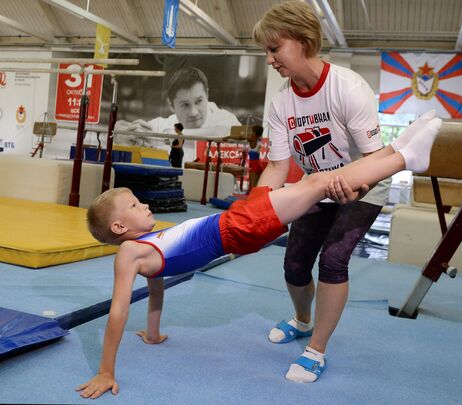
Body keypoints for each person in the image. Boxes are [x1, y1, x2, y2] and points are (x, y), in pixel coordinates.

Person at [75, 116, 442, 399]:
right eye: (136, 206)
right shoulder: (129, 252)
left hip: (235, 221)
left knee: (313, 185)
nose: (147, 204)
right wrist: (107, 370)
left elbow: (156, 292)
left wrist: (153, 335)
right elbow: (119, 311)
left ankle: (396, 151)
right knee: (316, 184)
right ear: (121, 228)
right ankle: (404, 157)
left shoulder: (148, 245)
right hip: (237, 228)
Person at [252, 0, 428, 383]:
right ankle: (301, 320)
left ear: (302, 41)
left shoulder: (347, 87)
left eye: (274, 48)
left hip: (365, 185)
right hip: (317, 185)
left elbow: (374, 158)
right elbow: (279, 167)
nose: (269, 60)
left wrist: (356, 183)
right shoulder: (282, 102)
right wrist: (252, 210)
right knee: (294, 264)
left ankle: (316, 349)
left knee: (333, 259)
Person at [116, 66, 240, 161]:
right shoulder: (162, 126)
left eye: (199, 101)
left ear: (207, 95)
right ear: (171, 105)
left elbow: (223, 134)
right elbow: (120, 130)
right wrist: (124, 134)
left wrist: (164, 136)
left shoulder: (227, 122)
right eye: (185, 105)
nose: (193, 112)